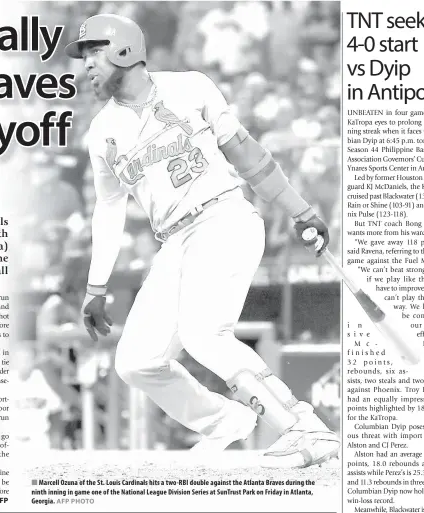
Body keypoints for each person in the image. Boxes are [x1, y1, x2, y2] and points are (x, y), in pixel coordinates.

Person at [65, 14, 339, 468]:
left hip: (224, 218)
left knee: (203, 334)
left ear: (123, 49)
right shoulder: (101, 134)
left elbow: (246, 153)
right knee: (136, 361)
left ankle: (303, 425)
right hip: (174, 241)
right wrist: (97, 286)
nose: (87, 64)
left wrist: (300, 209)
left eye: (94, 51)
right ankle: (224, 422)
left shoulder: (190, 87)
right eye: (85, 56)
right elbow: (109, 210)